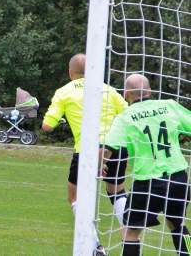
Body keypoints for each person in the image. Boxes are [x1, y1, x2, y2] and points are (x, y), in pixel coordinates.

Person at [103, 74, 191, 256]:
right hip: (178, 177)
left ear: (126, 94)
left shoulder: (125, 117)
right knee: (177, 224)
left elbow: (108, 147)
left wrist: (100, 164)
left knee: (131, 231)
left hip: (147, 182)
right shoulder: (169, 106)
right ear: (150, 91)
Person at [41, 54, 128, 235]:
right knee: (117, 191)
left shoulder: (64, 92)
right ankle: (130, 236)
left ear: (70, 72)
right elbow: (127, 114)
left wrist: (61, 118)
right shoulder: (108, 90)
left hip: (87, 150)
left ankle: (95, 245)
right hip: (115, 148)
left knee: (74, 195)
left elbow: (47, 126)